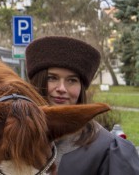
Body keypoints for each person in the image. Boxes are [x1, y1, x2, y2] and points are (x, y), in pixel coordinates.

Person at [25, 36, 139, 175]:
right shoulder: (10, 140)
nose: (62, 88)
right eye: (52, 78)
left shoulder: (107, 150)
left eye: (72, 80)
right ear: (37, 82)